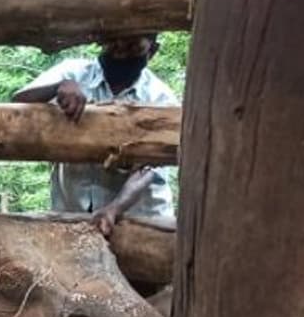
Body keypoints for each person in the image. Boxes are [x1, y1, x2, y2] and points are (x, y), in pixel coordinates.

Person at [12, 34, 180, 235]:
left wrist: (113, 210)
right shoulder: (73, 72)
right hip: (73, 215)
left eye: (132, 47)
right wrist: (57, 88)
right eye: (114, 45)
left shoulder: (160, 97)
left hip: (141, 219)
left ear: (152, 50)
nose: (121, 53)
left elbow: (149, 170)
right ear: (102, 42)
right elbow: (16, 104)